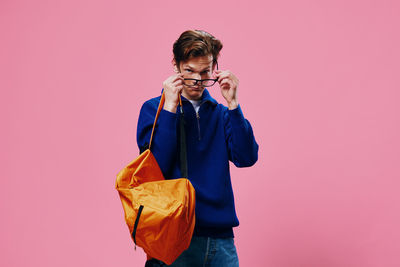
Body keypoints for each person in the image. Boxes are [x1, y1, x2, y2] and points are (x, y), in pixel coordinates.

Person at [137, 30, 259, 267]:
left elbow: (246, 157)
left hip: (220, 240)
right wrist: (170, 108)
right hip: (173, 237)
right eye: (189, 71)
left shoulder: (222, 114)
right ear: (176, 65)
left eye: (205, 72)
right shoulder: (153, 109)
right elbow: (156, 169)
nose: (197, 81)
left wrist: (233, 104)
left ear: (214, 67)